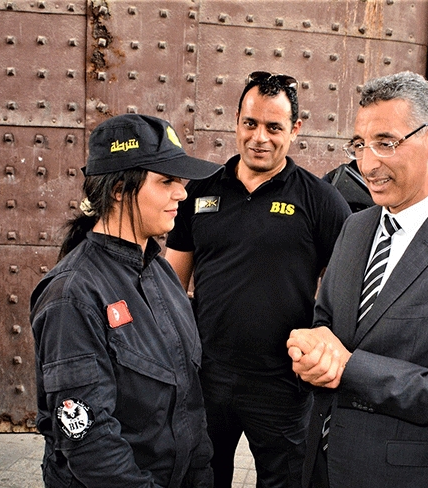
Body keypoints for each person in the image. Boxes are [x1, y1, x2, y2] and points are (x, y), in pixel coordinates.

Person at [286, 71, 428, 488]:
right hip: (318, 464)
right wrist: (312, 347)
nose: (367, 163)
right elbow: (326, 321)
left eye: (386, 143)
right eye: (360, 144)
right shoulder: (354, 228)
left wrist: (350, 367)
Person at [166, 71, 351, 488]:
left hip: (283, 385)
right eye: (250, 124)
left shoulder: (320, 200)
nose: (259, 138)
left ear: (295, 130)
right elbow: (171, 287)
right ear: (236, 121)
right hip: (207, 378)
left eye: (274, 127)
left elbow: (346, 290)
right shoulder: (199, 192)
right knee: (200, 479)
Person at [30, 114, 221, 487]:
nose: (181, 193)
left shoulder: (160, 271)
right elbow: (89, 442)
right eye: (166, 181)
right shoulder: (73, 296)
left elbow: (188, 403)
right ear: (119, 189)